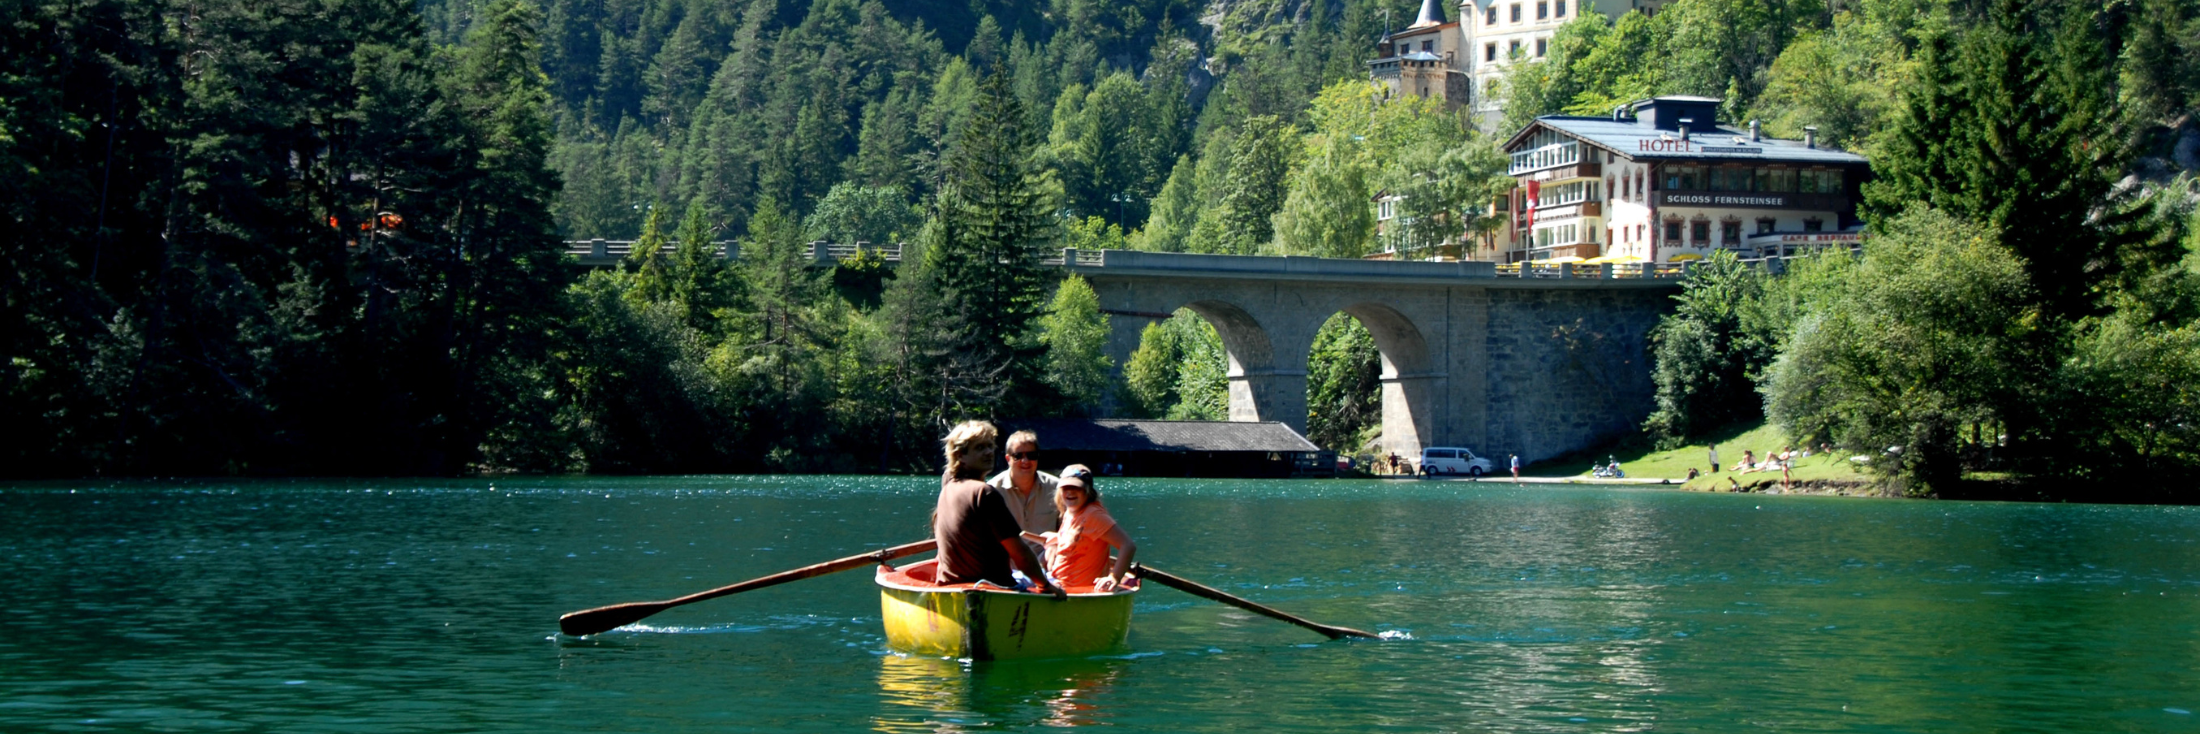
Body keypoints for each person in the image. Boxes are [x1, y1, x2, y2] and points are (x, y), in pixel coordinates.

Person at [932, 421, 1061, 597]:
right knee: (1056, 584)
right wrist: (1045, 585)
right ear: (960, 455)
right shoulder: (984, 493)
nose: (989, 452)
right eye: (979, 448)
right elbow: (1020, 553)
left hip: (953, 587)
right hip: (994, 589)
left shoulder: (948, 488)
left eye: (990, 446)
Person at [1021, 464, 1137, 592]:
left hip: (1075, 589)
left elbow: (1128, 545)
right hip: (1056, 581)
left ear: (1087, 490)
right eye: (1065, 488)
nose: (1070, 492)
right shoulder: (1070, 512)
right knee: (1014, 576)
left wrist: (1114, 577)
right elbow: (1078, 538)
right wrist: (1055, 538)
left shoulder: (1094, 515)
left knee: (1017, 581)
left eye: (1076, 487)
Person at [988, 430, 1061, 547]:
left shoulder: (1057, 488)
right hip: (1008, 563)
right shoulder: (992, 491)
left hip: (1049, 561)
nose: (1025, 461)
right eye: (1018, 456)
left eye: (1031, 455)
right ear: (1008, 459)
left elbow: (1068, 529)